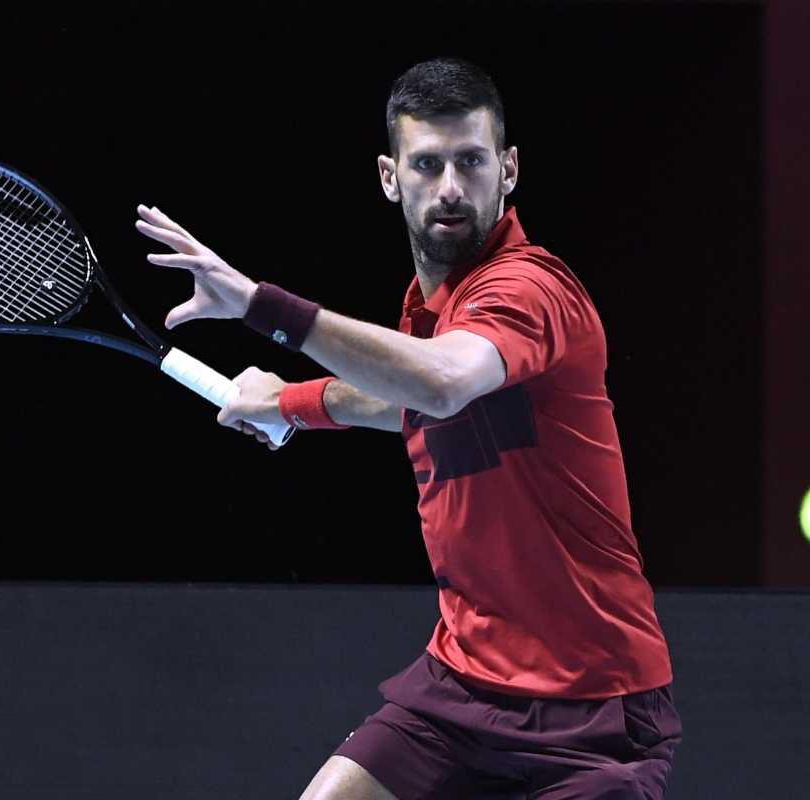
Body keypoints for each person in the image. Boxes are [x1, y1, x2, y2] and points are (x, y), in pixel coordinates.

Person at [136, 56, 682, 800]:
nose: (450, 186)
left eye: (471, 161)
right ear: (391, 178)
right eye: (428, 164)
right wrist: (290, 402)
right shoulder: (431, 309)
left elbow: (442, 383)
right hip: (462, 682)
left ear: (509, 169)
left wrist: (263, 308)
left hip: (593, 704)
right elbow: (413, 397)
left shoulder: (530, 289)